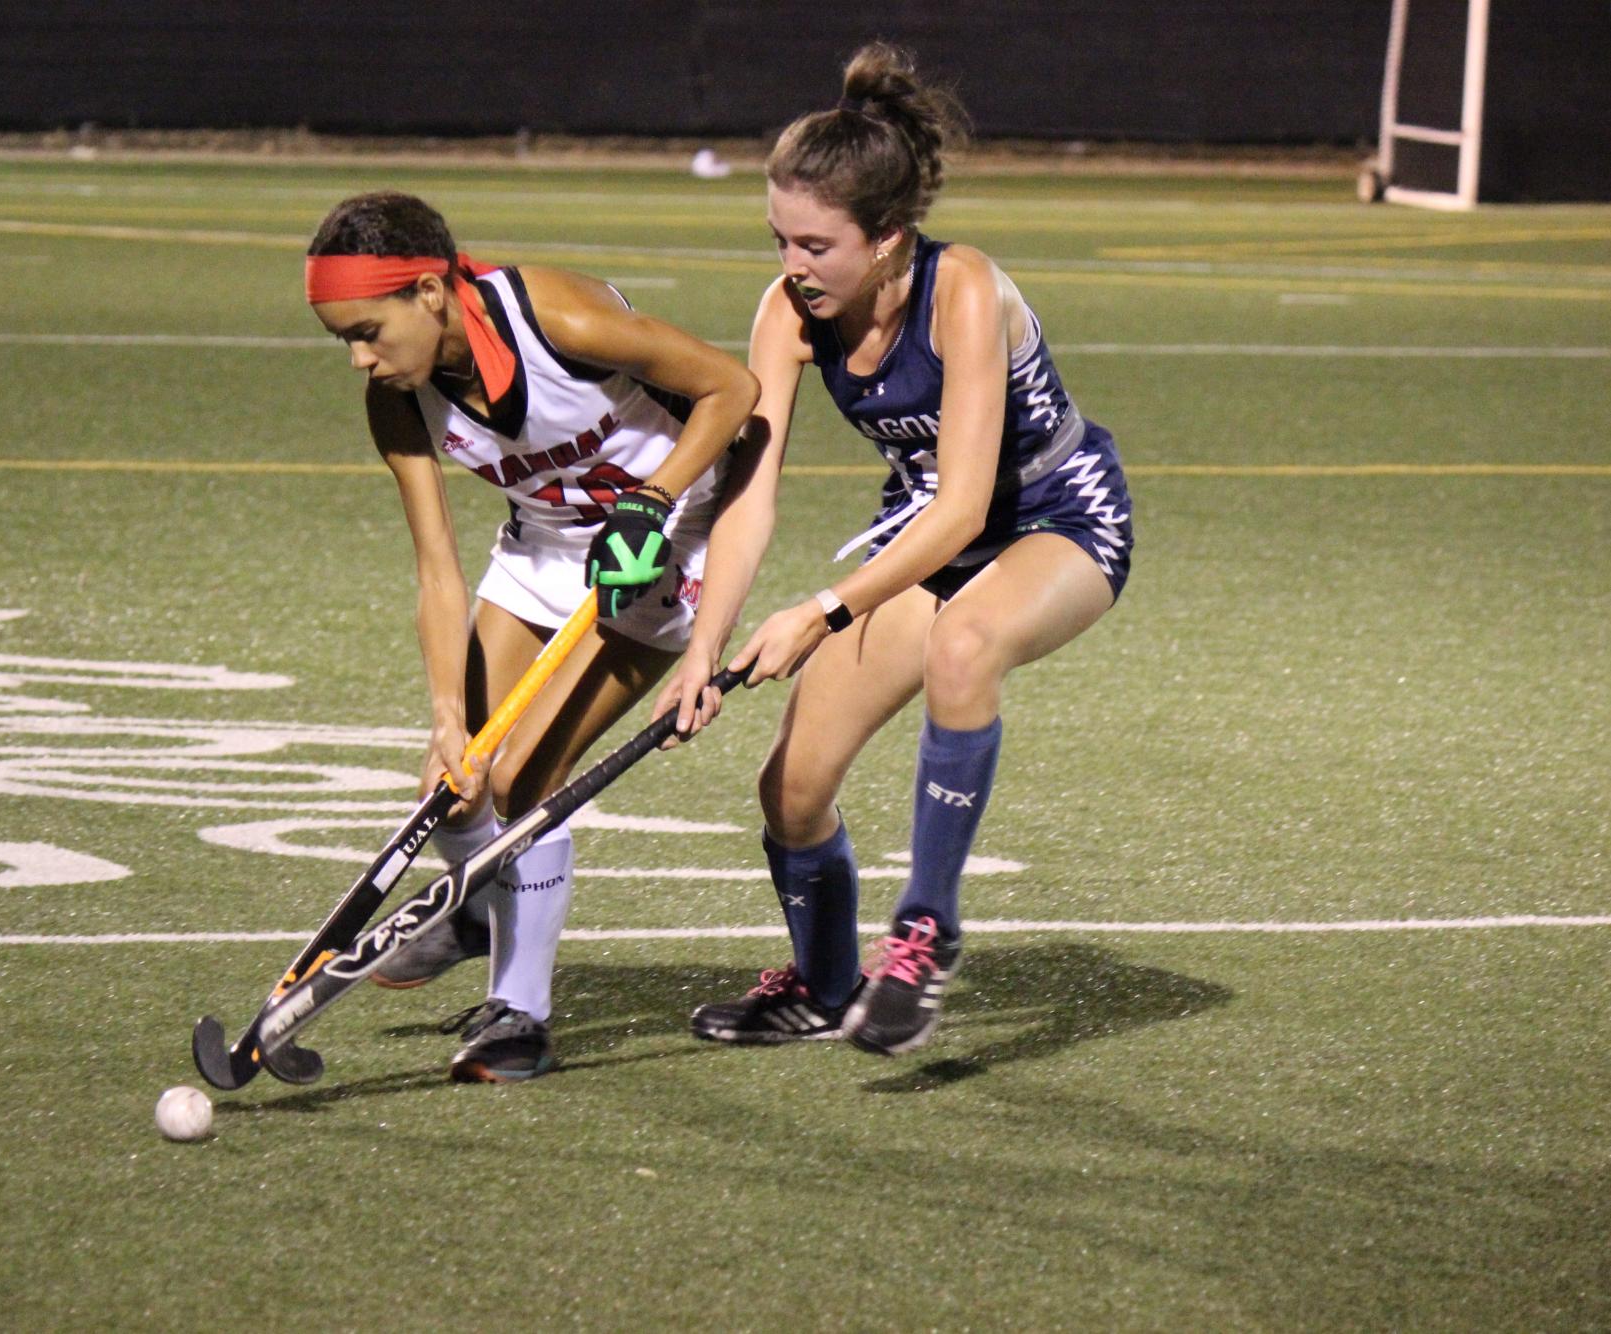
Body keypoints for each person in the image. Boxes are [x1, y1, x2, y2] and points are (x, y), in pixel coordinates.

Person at [660, 43, 1135, 1056]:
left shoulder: (961, 287)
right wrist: (706, 643)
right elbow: (751, 497)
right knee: (790, 786)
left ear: (886, 238)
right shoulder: (788, 313)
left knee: (965, 645)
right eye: (781, 236)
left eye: (816, 244)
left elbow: (967, 509)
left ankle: (923, 936)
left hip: (1056, 517)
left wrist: (822, 610)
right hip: (921, 535)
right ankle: (825, 987)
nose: (793, 263)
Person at [306, 192, 759, 1081]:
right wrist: (445, 716)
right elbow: (437, 572)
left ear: (430, 293)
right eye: (342, 341)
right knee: (457, 780)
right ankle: (483, 909)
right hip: (542, 548)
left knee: (520, 781)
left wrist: (656, 498)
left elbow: (731, 390)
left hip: (664, 545)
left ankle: (522, 1013)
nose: (361, 358)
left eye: (367, 330)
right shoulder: (396, 402)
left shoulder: (553, 315)